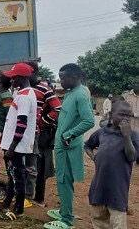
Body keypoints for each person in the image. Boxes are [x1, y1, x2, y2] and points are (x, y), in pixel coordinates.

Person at [45, 63, 95, 229]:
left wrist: (69, 134)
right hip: (63, 143)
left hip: (68, 144)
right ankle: (64, 210)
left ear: (74, 77)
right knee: (63, 179)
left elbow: (88, 121)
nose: (61, 81)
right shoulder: (71, 92)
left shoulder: (80, 94)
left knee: (64, 179)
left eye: (63, 78)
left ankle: (66, 220)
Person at [0, 62, 37, 220]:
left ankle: (18, 209)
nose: (11, 80)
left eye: (13, 78)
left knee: (18, 176)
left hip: (16, 145)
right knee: (12, 175)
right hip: (13, 144)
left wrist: (12, 147)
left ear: (20, 78)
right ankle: (8, 201)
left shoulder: (24, 97)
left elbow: (21, 124)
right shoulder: (23, 93)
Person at [85, 100, 138, 229]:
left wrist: (126, 137)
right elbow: (87, 145)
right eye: (121, 114)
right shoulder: (102, 132)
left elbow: (131, 157)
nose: (125, 118)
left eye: (129, 115)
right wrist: (94, 157)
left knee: (118, 224)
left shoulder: (133, 135)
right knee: (99, 221)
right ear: (110, 115)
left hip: (118, 192)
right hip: (98, 188)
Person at [25, 61, 62, 207]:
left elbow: (57, 108)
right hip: (28, 134)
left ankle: (39, 198)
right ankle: (28, 194)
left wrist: (42, 122)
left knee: (40, 166)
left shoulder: (43, 88)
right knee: (28, 164)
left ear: (32, 72)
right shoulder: (24, 88)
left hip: (42, 135)